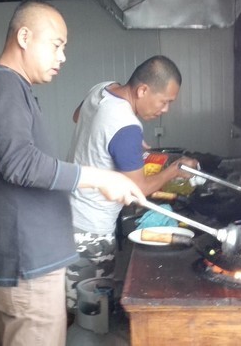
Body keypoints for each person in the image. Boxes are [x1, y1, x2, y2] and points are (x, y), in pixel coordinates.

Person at [0, 0, 145, 346]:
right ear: (25, 37)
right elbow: (19, 163)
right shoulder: (2, 84)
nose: (62, 57)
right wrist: (100, 177)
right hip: (27, 263)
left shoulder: (11, 87)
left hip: (27, 260)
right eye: (56, 45)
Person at [65, 55, 198, 311]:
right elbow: (140, 191)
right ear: (143, 90)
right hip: (90, 228)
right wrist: (174, 170)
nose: (165, 110)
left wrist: (116, 143)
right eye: (165, 101)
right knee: (90, 308)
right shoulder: (126, 125)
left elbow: (77, 116)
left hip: (67, 209)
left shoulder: (102, 88)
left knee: (74, 298)